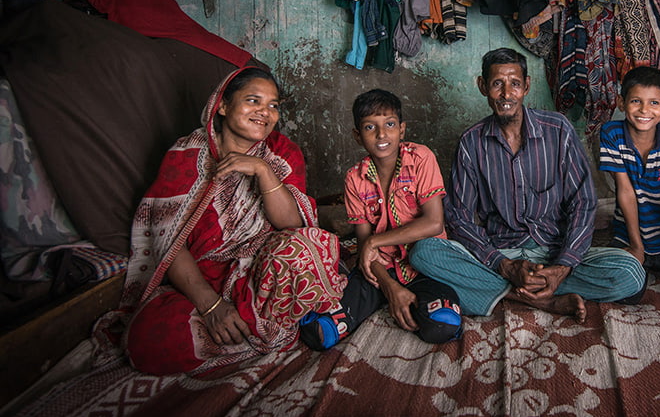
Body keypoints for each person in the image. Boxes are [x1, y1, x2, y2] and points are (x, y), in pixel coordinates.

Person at [113, 67, 347, 375]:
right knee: (146, 342)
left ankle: (255, 325)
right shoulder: (186, 155)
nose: (265, 112)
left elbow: (293, 226)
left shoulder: (281, 153)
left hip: (261, 275)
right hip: (199, 281)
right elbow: (169, 242)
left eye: (273, 105)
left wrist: (262, 170)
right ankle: (262, 328)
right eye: (253, 101)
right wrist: (211, 306)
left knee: (306, 249)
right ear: (222, 105)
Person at [409, 48, 646, 322]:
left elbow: (583, 202)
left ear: (527, 86)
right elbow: (458, 217)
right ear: (483, 86)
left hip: (553, 250)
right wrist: (504, 265)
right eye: (497, 84)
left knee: (630, 272)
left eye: (515, 84)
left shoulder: (558, 129)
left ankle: (510, 291)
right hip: (501, 254)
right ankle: (544, 300)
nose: (506, 94)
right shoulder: (471, 142)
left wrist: (563, 266)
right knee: (424, 253)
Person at [299, 89, 462, 348]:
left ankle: (410, 302)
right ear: (357, 135)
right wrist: (389, 287)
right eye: (370, 127)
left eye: (389, 124)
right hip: (380, 271)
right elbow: (364, 246)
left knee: (443, 323)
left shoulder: (421, 158)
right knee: (319, 333)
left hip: (426, 266)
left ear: (402, 129)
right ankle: (383, 298)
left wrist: (376, 242)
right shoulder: (354, 178)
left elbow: (434, 223)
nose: (381, 134)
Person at [599, 66, 660, 312]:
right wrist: (636, 246)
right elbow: (625, 191)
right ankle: (635, 258)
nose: (645, 110)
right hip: (628, 234)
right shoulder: (612, 133)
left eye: (654, 102)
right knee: (627, 293)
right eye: (636, 101)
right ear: (621, 103)